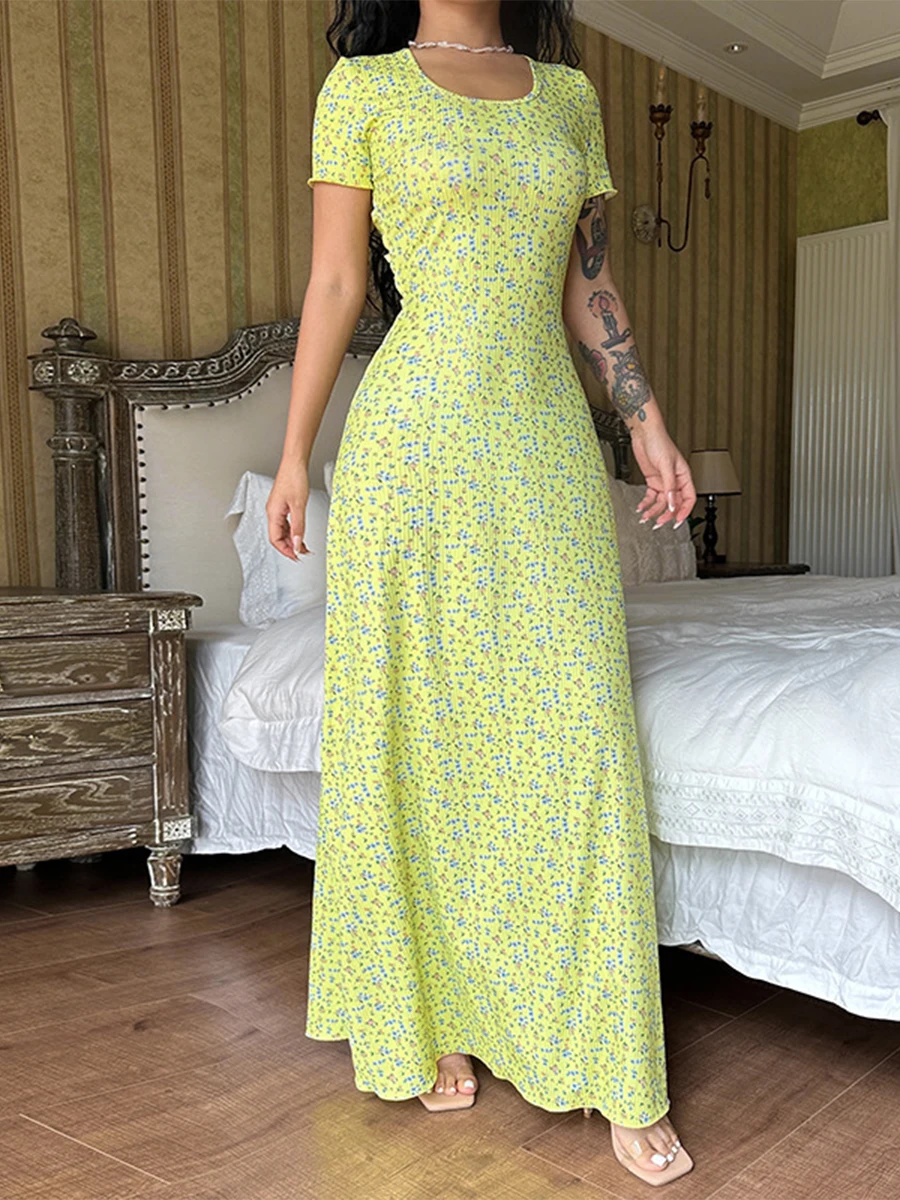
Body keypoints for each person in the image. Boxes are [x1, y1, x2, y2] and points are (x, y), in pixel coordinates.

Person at [266, 0, 696, 1186]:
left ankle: (612, 1059)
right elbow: (338, 284)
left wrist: (646, 422)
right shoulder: (363, 88)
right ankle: (431, 1011)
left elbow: (589, 289)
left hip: (544, 441)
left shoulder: (569, 97)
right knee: (422, 734)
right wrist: (296, 456)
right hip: (411, 445)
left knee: (577, 730)